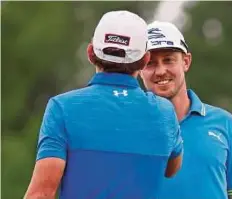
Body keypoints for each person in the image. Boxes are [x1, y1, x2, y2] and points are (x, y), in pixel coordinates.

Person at [24, 12, 183, 199]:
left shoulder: (62, 108)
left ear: (91, 53)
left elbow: (41, 194)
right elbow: (171, 169)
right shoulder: (164, 112)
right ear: (145, 59)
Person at [140, 21, 232, 199]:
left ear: (186, 62)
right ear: (140, 69)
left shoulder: (225, 124)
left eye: (168, 60)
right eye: (151, 63)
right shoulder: (130, 126)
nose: (161, 70)